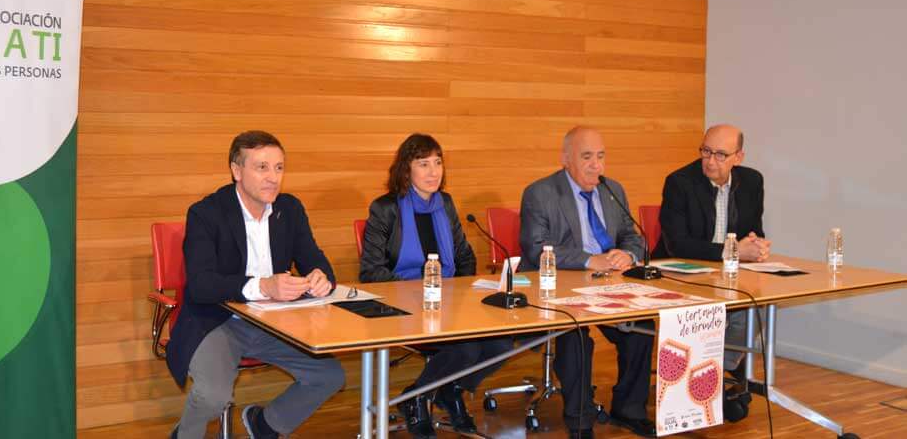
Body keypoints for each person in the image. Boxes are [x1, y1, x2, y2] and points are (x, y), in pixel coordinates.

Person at [166, 131, 345, 439]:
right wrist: (263, 286)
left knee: (329, 376)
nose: (272, 177)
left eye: (279, 168)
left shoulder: (289, 209)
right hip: (218, 320)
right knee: (213, 396)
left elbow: (316, 260)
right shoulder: (206, 213)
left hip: (273, 322)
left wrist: (320, 276)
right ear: (237, 171)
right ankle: (184, 435)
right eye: (262, 167)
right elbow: (201, 285)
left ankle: (266, 425)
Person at [360, 133, 512, 439]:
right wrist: (417, 291)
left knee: (501, 344)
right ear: (407, 169)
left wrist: (462, 294)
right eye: (423, 163)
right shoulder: (385, 208)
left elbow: (464, 256)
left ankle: (450, 390)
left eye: (438, 163)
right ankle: (416, 398)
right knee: (467, 348)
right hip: (404, 308)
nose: (433, 171)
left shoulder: (445, 203)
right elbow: (370, 272)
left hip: (450, 304)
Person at [520, 126, 655, 439]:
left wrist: (628, 255)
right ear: (565, 159)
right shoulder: (540, 193)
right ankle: (579, 421)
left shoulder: (612, 189)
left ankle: (629, 409)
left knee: (641, 327)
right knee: (576, 334)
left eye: (601, 156)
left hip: (609, 282)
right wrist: (586, 259)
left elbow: (634, 237)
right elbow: (536, 247)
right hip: (559, 287)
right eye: (587, 157)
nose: (596, 165)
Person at [653, 124, 771, 420]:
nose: (710, 160)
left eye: (720, 154)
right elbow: (677, 244)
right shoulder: (680, 182)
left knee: (759, 302)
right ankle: (709, 379)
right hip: (679, 273)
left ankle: (716, 370)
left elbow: (753, 230)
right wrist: (731, 251)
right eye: (706, 151)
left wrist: (755, 247)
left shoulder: (752, 182)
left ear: (738, 157)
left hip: (727, 275)